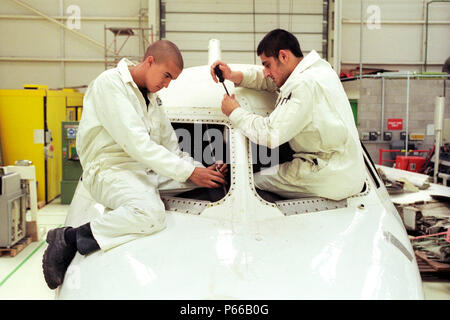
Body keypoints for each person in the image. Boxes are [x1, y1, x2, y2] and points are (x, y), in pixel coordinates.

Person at [43, 40, 227, 290]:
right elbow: (137, 145)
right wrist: (190, 172)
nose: (167, 84)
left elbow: (171, 149)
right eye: (166, 75)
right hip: (108, 169)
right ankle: (68, 238)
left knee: (193, 179)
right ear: (149, 61)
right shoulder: (110, 85)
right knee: (151, 214)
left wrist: (201, 171)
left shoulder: (153, 98)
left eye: (172, 80)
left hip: (141, 167)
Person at [210, 29, 365, 201]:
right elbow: (272, 82)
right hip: (350, 169)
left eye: (267, 64)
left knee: (252, 182)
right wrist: (233, 76)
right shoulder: (319, 71)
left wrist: (235, 112)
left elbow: (271, 134)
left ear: (283, 56)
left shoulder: (303, 85)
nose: (266, 72)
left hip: (328, 173)